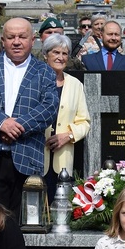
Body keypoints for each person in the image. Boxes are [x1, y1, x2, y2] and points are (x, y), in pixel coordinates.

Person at [0, 17, 60, 213]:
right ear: (3, 41)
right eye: (11, 37)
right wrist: (1, 123)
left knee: (20, 225)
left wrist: (17, 126)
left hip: (26, 155)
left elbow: (49, 107)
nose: (16, 41)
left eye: (22, 36)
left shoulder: (45, 71)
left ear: (32, 40)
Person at [41, 34, 91, 197]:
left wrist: (68, 136)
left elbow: (84, 122)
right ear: (45, 55)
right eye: (56, 52)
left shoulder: (75, 85)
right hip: (38, 155)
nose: (60, 57)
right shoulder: (34, 81)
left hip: (63, 158)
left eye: (64, 53)